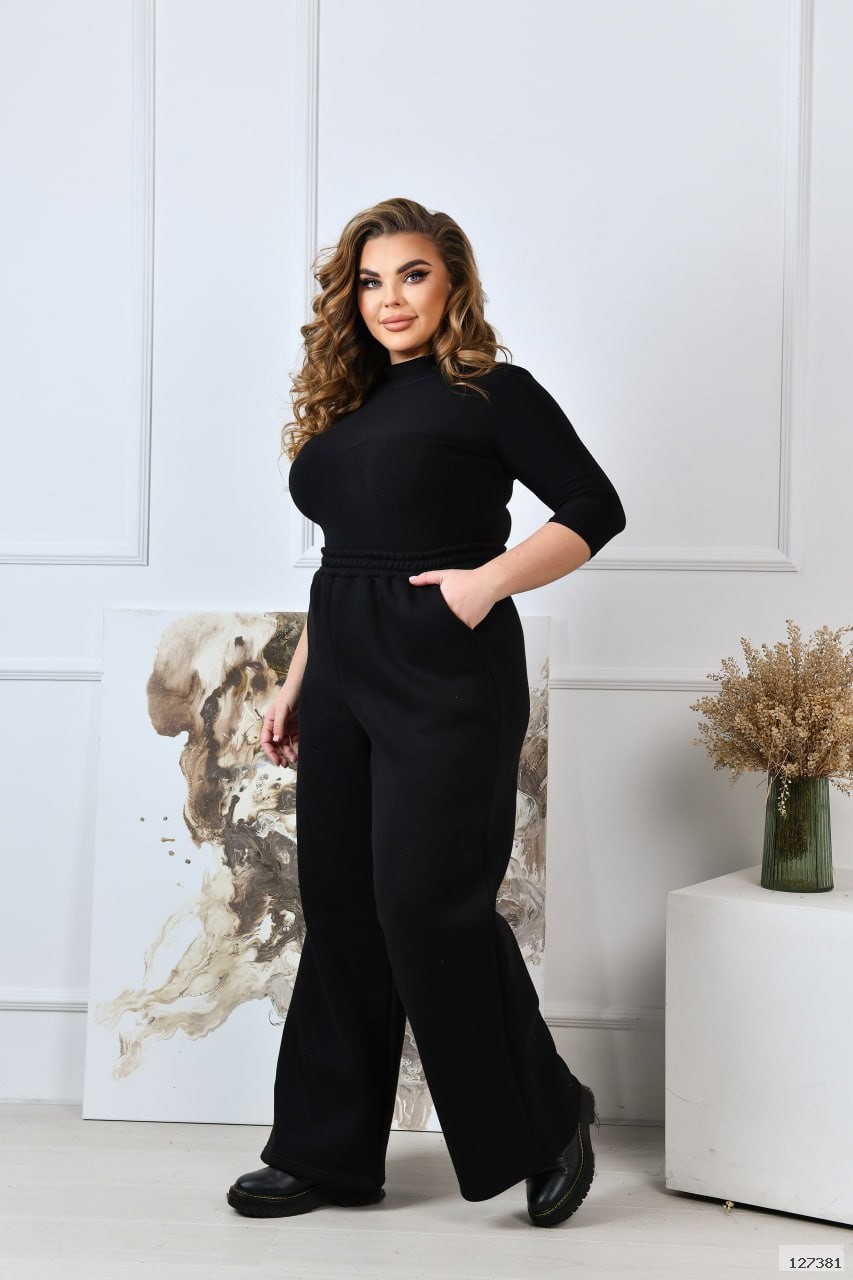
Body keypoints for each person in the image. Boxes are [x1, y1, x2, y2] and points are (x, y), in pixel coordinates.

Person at [227, 197, 626, 1228]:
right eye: (369, 281)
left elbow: (594, 507)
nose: (389, 298)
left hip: (446, 669)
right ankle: (327, 1150)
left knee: (425, 903)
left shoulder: (492, 391)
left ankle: (546, 1117)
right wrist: (299, 678)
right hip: (343, 667)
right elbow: (344, 560)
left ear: (452, 284)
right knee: (342, 905)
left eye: (411, 275)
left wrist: (484, 584)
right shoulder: (349, 402)